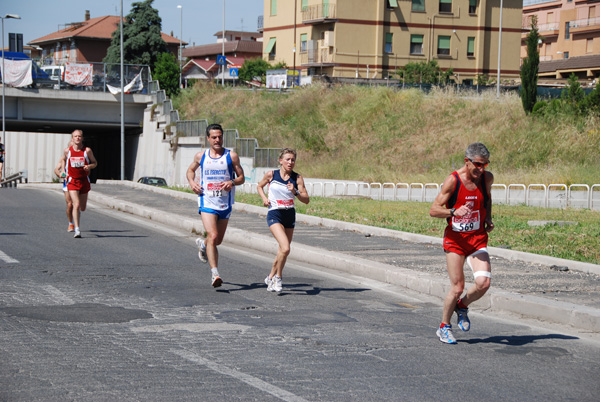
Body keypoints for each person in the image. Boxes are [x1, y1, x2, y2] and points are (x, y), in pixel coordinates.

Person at [429, 142, 494, 344]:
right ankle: (444, 327)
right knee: (457, 287)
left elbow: (488, 199)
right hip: (455, 241)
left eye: (485, 164)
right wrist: (453, 212)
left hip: (476, 239)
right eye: (478, 165)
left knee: (484, 283)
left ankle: (463, 306)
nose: (481, 169)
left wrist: (488, 219)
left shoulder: (486, 178)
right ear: (467, 162)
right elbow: (433, 210)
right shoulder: (453, 181)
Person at [187, 123, 245, 288]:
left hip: (224, 203)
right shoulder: (201, 156)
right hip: (207, 201)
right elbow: (190, 171)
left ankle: (202, 244)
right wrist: (192, 182)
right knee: (212, 236)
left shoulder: (231, 156)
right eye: (214, 137)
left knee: (217, 241)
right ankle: (215, 274)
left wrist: (232, 182)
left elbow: (242, 177)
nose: (217, 140)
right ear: (208, 138)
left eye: (220, 136)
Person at [257, 148, 310, 293]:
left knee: (282, 251)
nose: (290, 162)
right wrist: (264, 198)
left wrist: (295, 191)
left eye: (293, 160)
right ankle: (278, 278)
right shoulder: (271, 174)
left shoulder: (297, 178)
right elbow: (259, 186)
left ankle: (270, 277)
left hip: (289, 215)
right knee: (286, 247)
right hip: (275, 213)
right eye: (287, 159)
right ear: (280, 161)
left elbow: (306, 200)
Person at [61, 130, 97, 238]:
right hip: (72, 181)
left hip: (84, 180)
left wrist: (89, 166)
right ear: (72, 138)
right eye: (75, 136)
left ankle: (76, 220)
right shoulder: (67, 151)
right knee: (75, 204)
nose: (77, 138)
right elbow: (63, 160)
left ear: (82, 138)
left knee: (83, 207)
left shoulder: (87, 151)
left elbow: (95, 163)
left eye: (79, 136)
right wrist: (63, 172)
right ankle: (77, 229)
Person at [54, 140, 74, 232]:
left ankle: (76, 218)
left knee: (78, 205)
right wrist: (61, 174)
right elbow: (56, 170)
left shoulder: (81, 157)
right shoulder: (63, 158)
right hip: (68, 182)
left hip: (78, 182)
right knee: (69, 204)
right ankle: (71, 223)